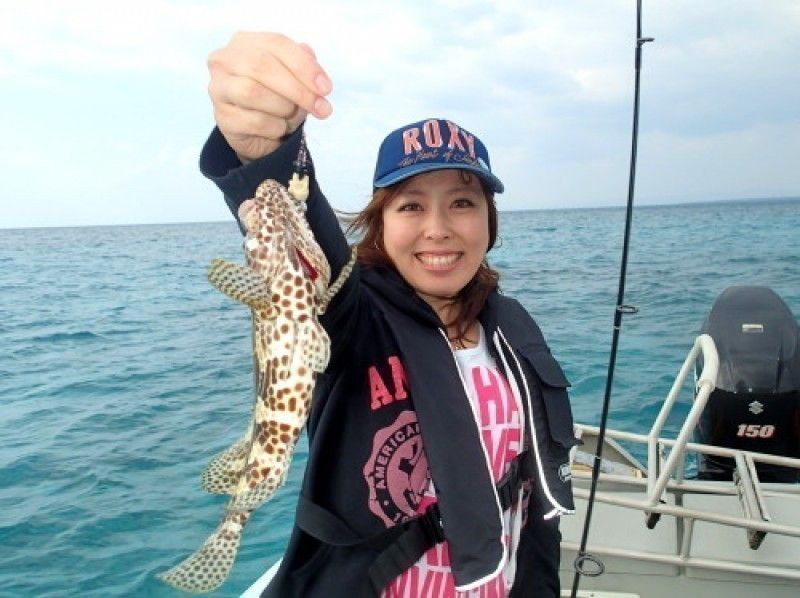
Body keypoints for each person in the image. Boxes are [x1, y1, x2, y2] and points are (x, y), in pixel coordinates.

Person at [200, 32, 577, 598]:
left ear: (489, 222)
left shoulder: (514, 327)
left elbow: (528, 497)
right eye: (411, 205)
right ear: (381, 223)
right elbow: (304, 246)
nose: (438, 228)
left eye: (463, 202)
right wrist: (262, 147)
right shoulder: (354, 317)